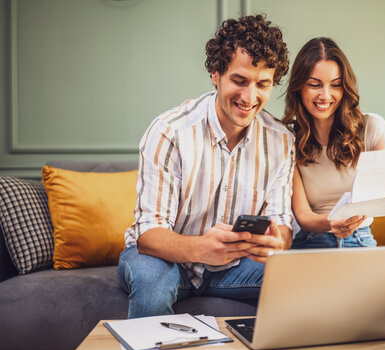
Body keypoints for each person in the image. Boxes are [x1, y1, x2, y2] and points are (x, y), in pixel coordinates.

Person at [118, 15, 294, 319]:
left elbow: (282, 223)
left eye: (262, 85)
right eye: (239, 81)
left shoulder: (281, 141)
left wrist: (278, 240)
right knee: (151, 281)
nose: (250, 97)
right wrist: (202, 248)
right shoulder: (169, 132)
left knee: (299, 278)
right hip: (164, 260)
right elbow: (148, 235)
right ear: (216, 73)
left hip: (235, 266)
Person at [282, 37, 385, 249]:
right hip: (311, 242)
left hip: (360, 240)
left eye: (336, 85)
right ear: (299, 87)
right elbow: (303, 216)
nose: (325, 95)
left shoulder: (372, 129)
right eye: (314, 85)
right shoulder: (287, 138)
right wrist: (332, 222)